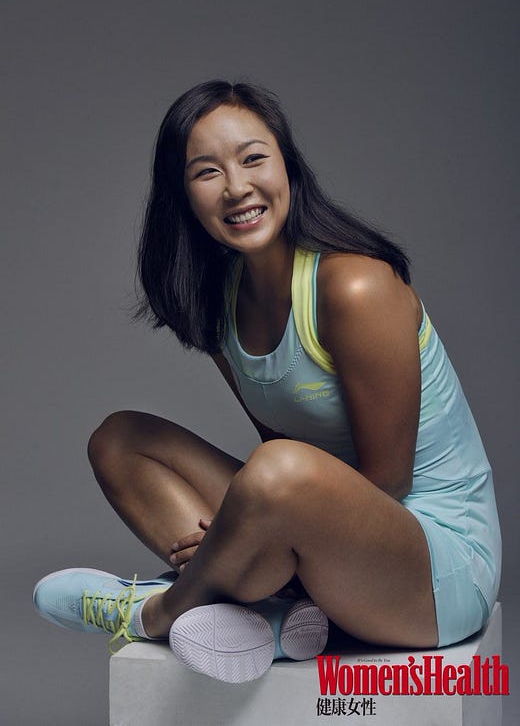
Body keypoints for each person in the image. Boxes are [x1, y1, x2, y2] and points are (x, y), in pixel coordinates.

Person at [34, 80, 501, 684]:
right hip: (322, 540)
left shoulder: (355, 288)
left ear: (288, 167)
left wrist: (239, 542)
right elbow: (279, 456)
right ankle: (274, 619)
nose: (237, 188)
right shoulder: (218, 304)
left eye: (253, 158)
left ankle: (157, 610)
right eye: (207, 172)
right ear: (183, 195)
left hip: (433, 571)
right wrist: (248, 536)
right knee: (121, 440)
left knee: (279, 469)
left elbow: (387, 483)